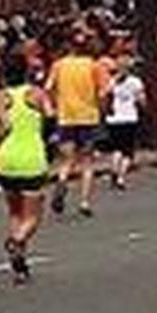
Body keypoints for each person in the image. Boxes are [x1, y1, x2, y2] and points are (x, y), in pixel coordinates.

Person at [0, 54, 52, 284]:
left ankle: (19, 264)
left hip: (6, 159)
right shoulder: (36, 94)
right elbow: (51, 116)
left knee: (15, 212)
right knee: (33, 216)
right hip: (31, 158)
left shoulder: (0, 97)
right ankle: (17, 241)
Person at [47, 32, 108, 218]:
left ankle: (62, 181)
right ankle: (84, 202)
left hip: (66, 117)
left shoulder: (59, 65)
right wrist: (102, 109)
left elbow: (49, 87)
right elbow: (103, 92)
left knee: (66, 159)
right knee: (87, 161)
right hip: (88, 117)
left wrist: (55, 105)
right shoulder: (94, 66)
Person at [106, 56, 146, 191]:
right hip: (129, 118)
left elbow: (106, 96)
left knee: (117, 148)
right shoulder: (136, 82)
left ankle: (113, 169)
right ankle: (121, 177)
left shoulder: (112, 81)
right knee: (128, 151)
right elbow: (141, 100)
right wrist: (143, 108)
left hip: (114, 119)